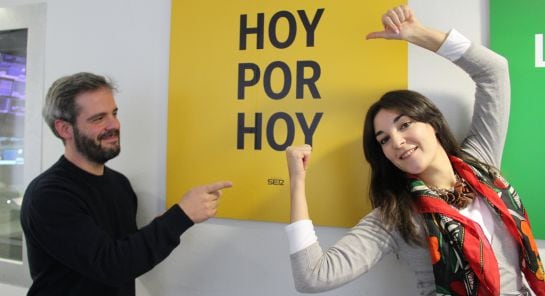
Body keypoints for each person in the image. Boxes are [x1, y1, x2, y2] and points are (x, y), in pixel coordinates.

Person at [285, 5, 545, 296]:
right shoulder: (396, 214)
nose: (396, 141)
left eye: (404, 124)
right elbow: (312, 277)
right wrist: (297, 183)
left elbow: (494, 73)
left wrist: (417, 34)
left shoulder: (480, 164)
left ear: (432, 124)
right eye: (383, 139)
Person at [20, 72, 232, 295]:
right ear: (64, 129)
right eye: (99, 118)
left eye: (114, 113)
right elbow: (113, 265)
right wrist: (182, 215)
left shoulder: (119, 184)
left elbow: (129, 254)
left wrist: (168, 221)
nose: (115, 124)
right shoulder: (49, 196)